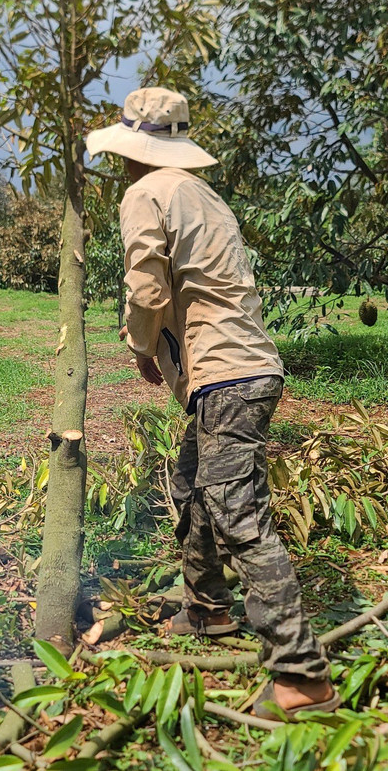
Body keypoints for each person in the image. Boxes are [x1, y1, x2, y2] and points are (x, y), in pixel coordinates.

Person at [86, 88, 339, 717]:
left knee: (237, 513)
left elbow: (146, 290)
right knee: (193, 484)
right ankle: (207, 608)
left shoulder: (145, 192)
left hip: (226, 376)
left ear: (131, 150)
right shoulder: (201, 193)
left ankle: (302, 676)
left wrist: (141, 347)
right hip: (243, 370)